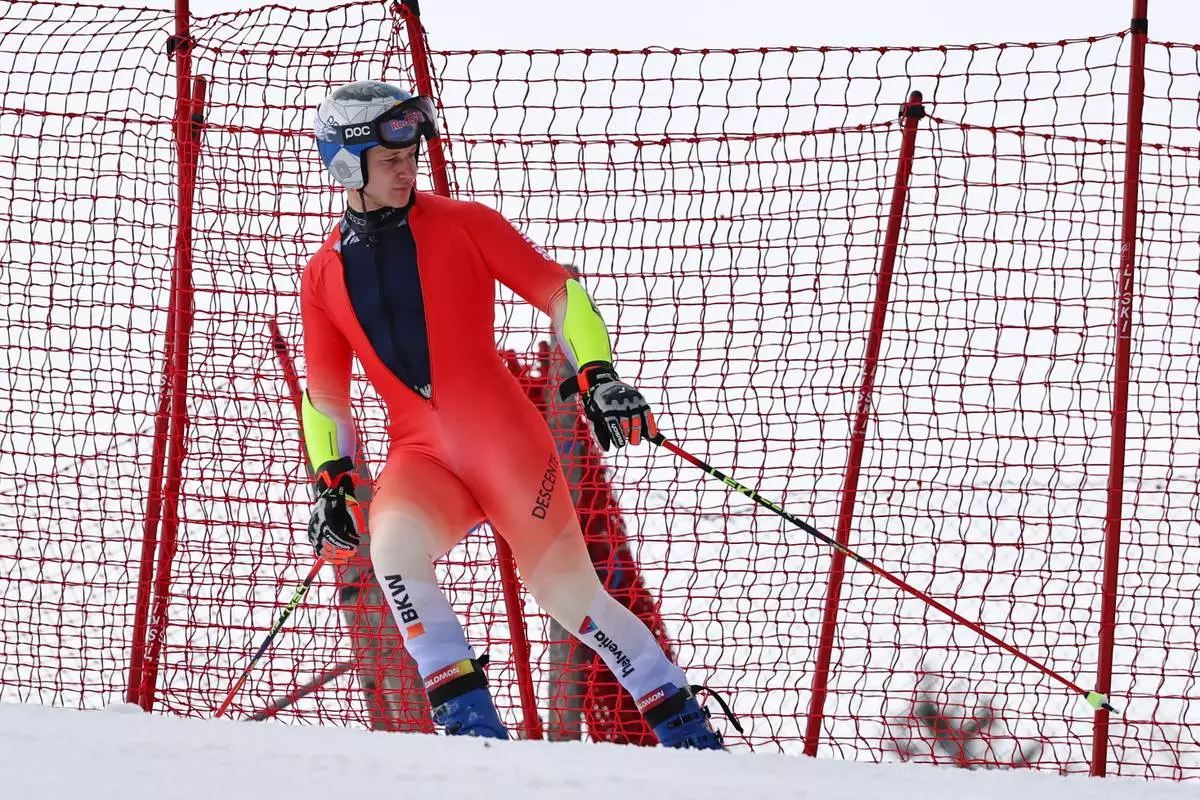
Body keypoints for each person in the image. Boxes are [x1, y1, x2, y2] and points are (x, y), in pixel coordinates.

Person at [301, 80, 729, 749]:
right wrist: (330, 475)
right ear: (345, 162)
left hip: (504, 443)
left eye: (411, 153)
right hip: (422, 456)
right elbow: (325, 393)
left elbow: (560, 291)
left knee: (569, 598)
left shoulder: (464, 223)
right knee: (393, 553)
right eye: (390, 159)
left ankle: (686, 728)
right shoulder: (322, 274)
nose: (407, 167)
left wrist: (598, 374)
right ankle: (473, 730)